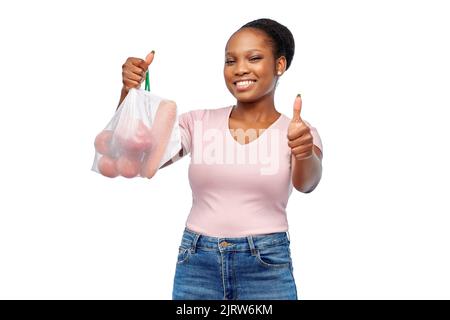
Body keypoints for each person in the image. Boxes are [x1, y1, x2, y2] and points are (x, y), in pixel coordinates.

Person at [118, 18, 323, 300]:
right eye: (230, 61)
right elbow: (138, 157)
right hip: (197, 262)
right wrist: (129, 94)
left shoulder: (300, 132)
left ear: (280, 65)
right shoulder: (198, 122)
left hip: (265, 264)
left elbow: (307, 183)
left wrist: (304, 151)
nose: (240, 69)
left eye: (254, 58)